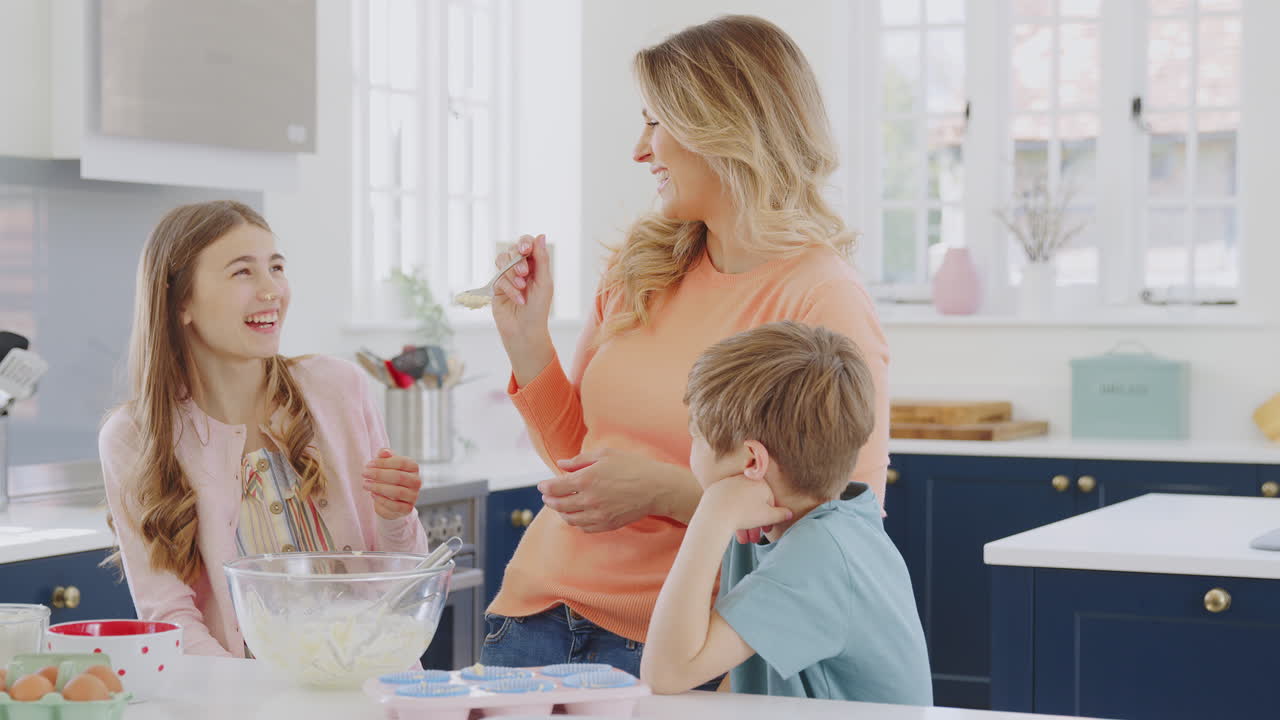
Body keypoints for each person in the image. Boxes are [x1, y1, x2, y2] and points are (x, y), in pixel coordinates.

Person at [480, 15, 892, 677]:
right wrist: (526, 340)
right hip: (533, 616)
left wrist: (670, 494)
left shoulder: (820, 297)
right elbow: (577, 457)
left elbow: (842, 527)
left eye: (656, 122)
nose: (640, 151)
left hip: (676, 645)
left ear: (723, 128)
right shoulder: (639, 265)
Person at [99, 201, 429, 657]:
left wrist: (396, 515)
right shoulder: (133, 437)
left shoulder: (339, 388)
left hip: (368, 687)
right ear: (181, 303)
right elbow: (170, 620)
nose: (272, 289)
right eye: (243, 272)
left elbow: (403, 582)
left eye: (276, 267)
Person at [641, 322, 931, 702]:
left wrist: (711, 516)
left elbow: (665, 673)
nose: (690, 451)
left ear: (751, 460)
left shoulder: (821, 554)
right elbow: (745, 676)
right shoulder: (808, 518)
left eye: (696, 437)